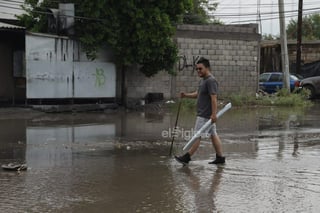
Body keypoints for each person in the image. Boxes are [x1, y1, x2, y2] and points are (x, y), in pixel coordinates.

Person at [174, 57, 225, 165]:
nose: (198, 71)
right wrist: (186, 95)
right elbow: (198, 94)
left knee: (197, 136)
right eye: (197, 69)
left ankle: (187, 157)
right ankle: (220, 158)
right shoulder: (203, 80)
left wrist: (214, 114)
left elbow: (214, 98)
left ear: (207, 68)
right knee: (213, 134)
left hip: (205, 115)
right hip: (206, 115)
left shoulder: (211, 80)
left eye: (200, 69)